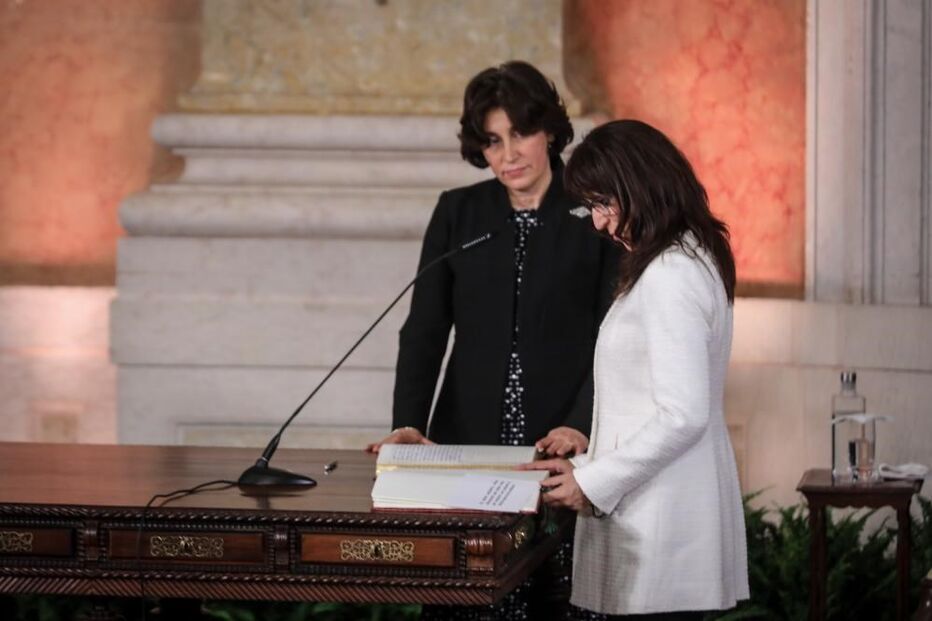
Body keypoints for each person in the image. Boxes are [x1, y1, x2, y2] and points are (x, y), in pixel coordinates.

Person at [366, 61, 619, 621]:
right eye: (492, 141)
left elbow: (613, 335)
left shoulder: (593, 215)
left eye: (521, 134)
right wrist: (409, 422)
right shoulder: (459, 213)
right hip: (467, 446)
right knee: (468, 599)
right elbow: (425, 330)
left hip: (559, 448)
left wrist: (582, 420)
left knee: (555, 599)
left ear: (549, 131)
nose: (509, 155)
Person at [523, 119, 749, 620]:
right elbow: (643, 406)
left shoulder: (672, 273)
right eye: (591, 208)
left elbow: (682, 414)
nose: (600, 223)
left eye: (605, 203)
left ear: (641, 183)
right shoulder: (681, 258)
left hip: (664, 524)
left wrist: (594, 482)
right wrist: (583, 468)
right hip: (658, 513)